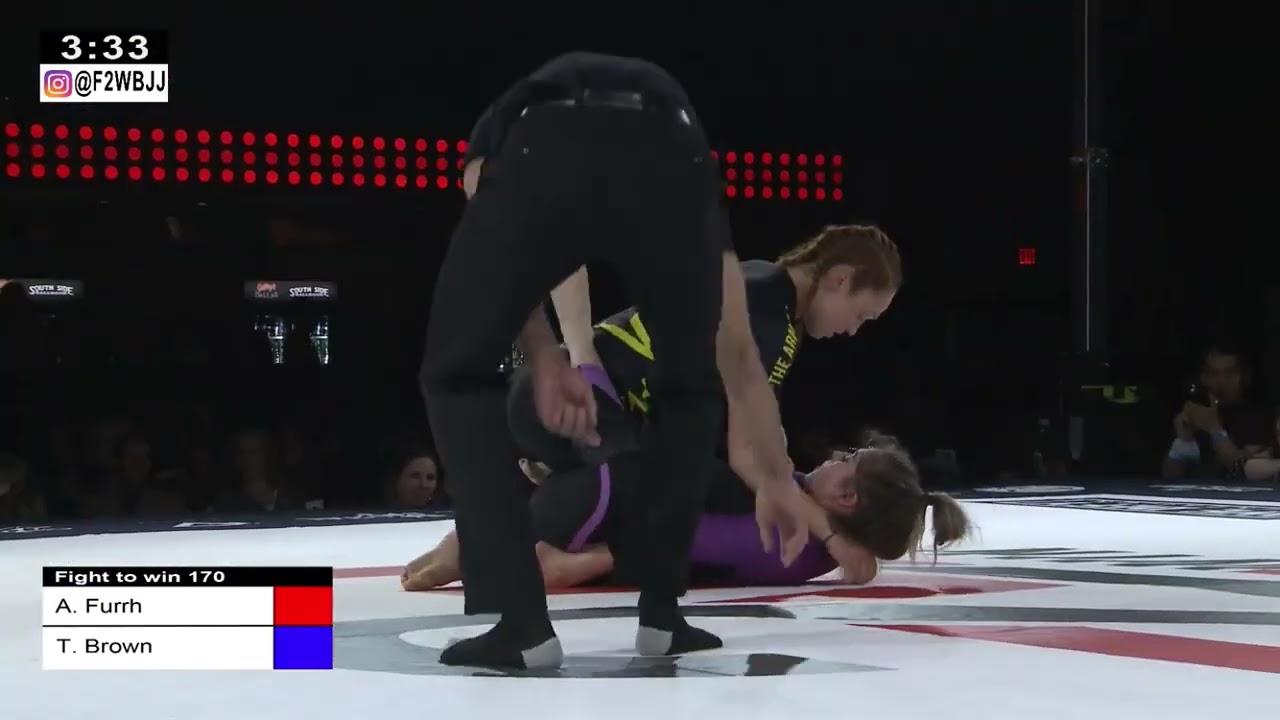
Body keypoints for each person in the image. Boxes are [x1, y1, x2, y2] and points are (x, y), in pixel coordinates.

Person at [418, 52, 809, 671]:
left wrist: (549, 358)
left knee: (457, 378)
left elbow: (506, 263)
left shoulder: (505, 130)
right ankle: (662, 618)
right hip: (672, 146)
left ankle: (521, 624)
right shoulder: (682, 152)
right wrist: (780, 481)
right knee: (691, 388)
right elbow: (736, 352)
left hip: (549, 135)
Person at [508, 224, 902, 469]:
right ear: (840, 279)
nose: (853, 331)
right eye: (861, 315)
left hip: (570, 407)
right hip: (566, 403)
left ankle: (560, 481)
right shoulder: (767, 309)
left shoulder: (770, 295)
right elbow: (746, 453)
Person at [402, 433, 973, 591]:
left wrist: (585, 562)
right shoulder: (805, 518)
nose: (833, 457)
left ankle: (471, 549)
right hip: (620, 506)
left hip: (621, 526)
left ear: (847, 496)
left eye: (845, 461)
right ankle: (478, 542)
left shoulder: (794, 544)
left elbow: (689, 536)